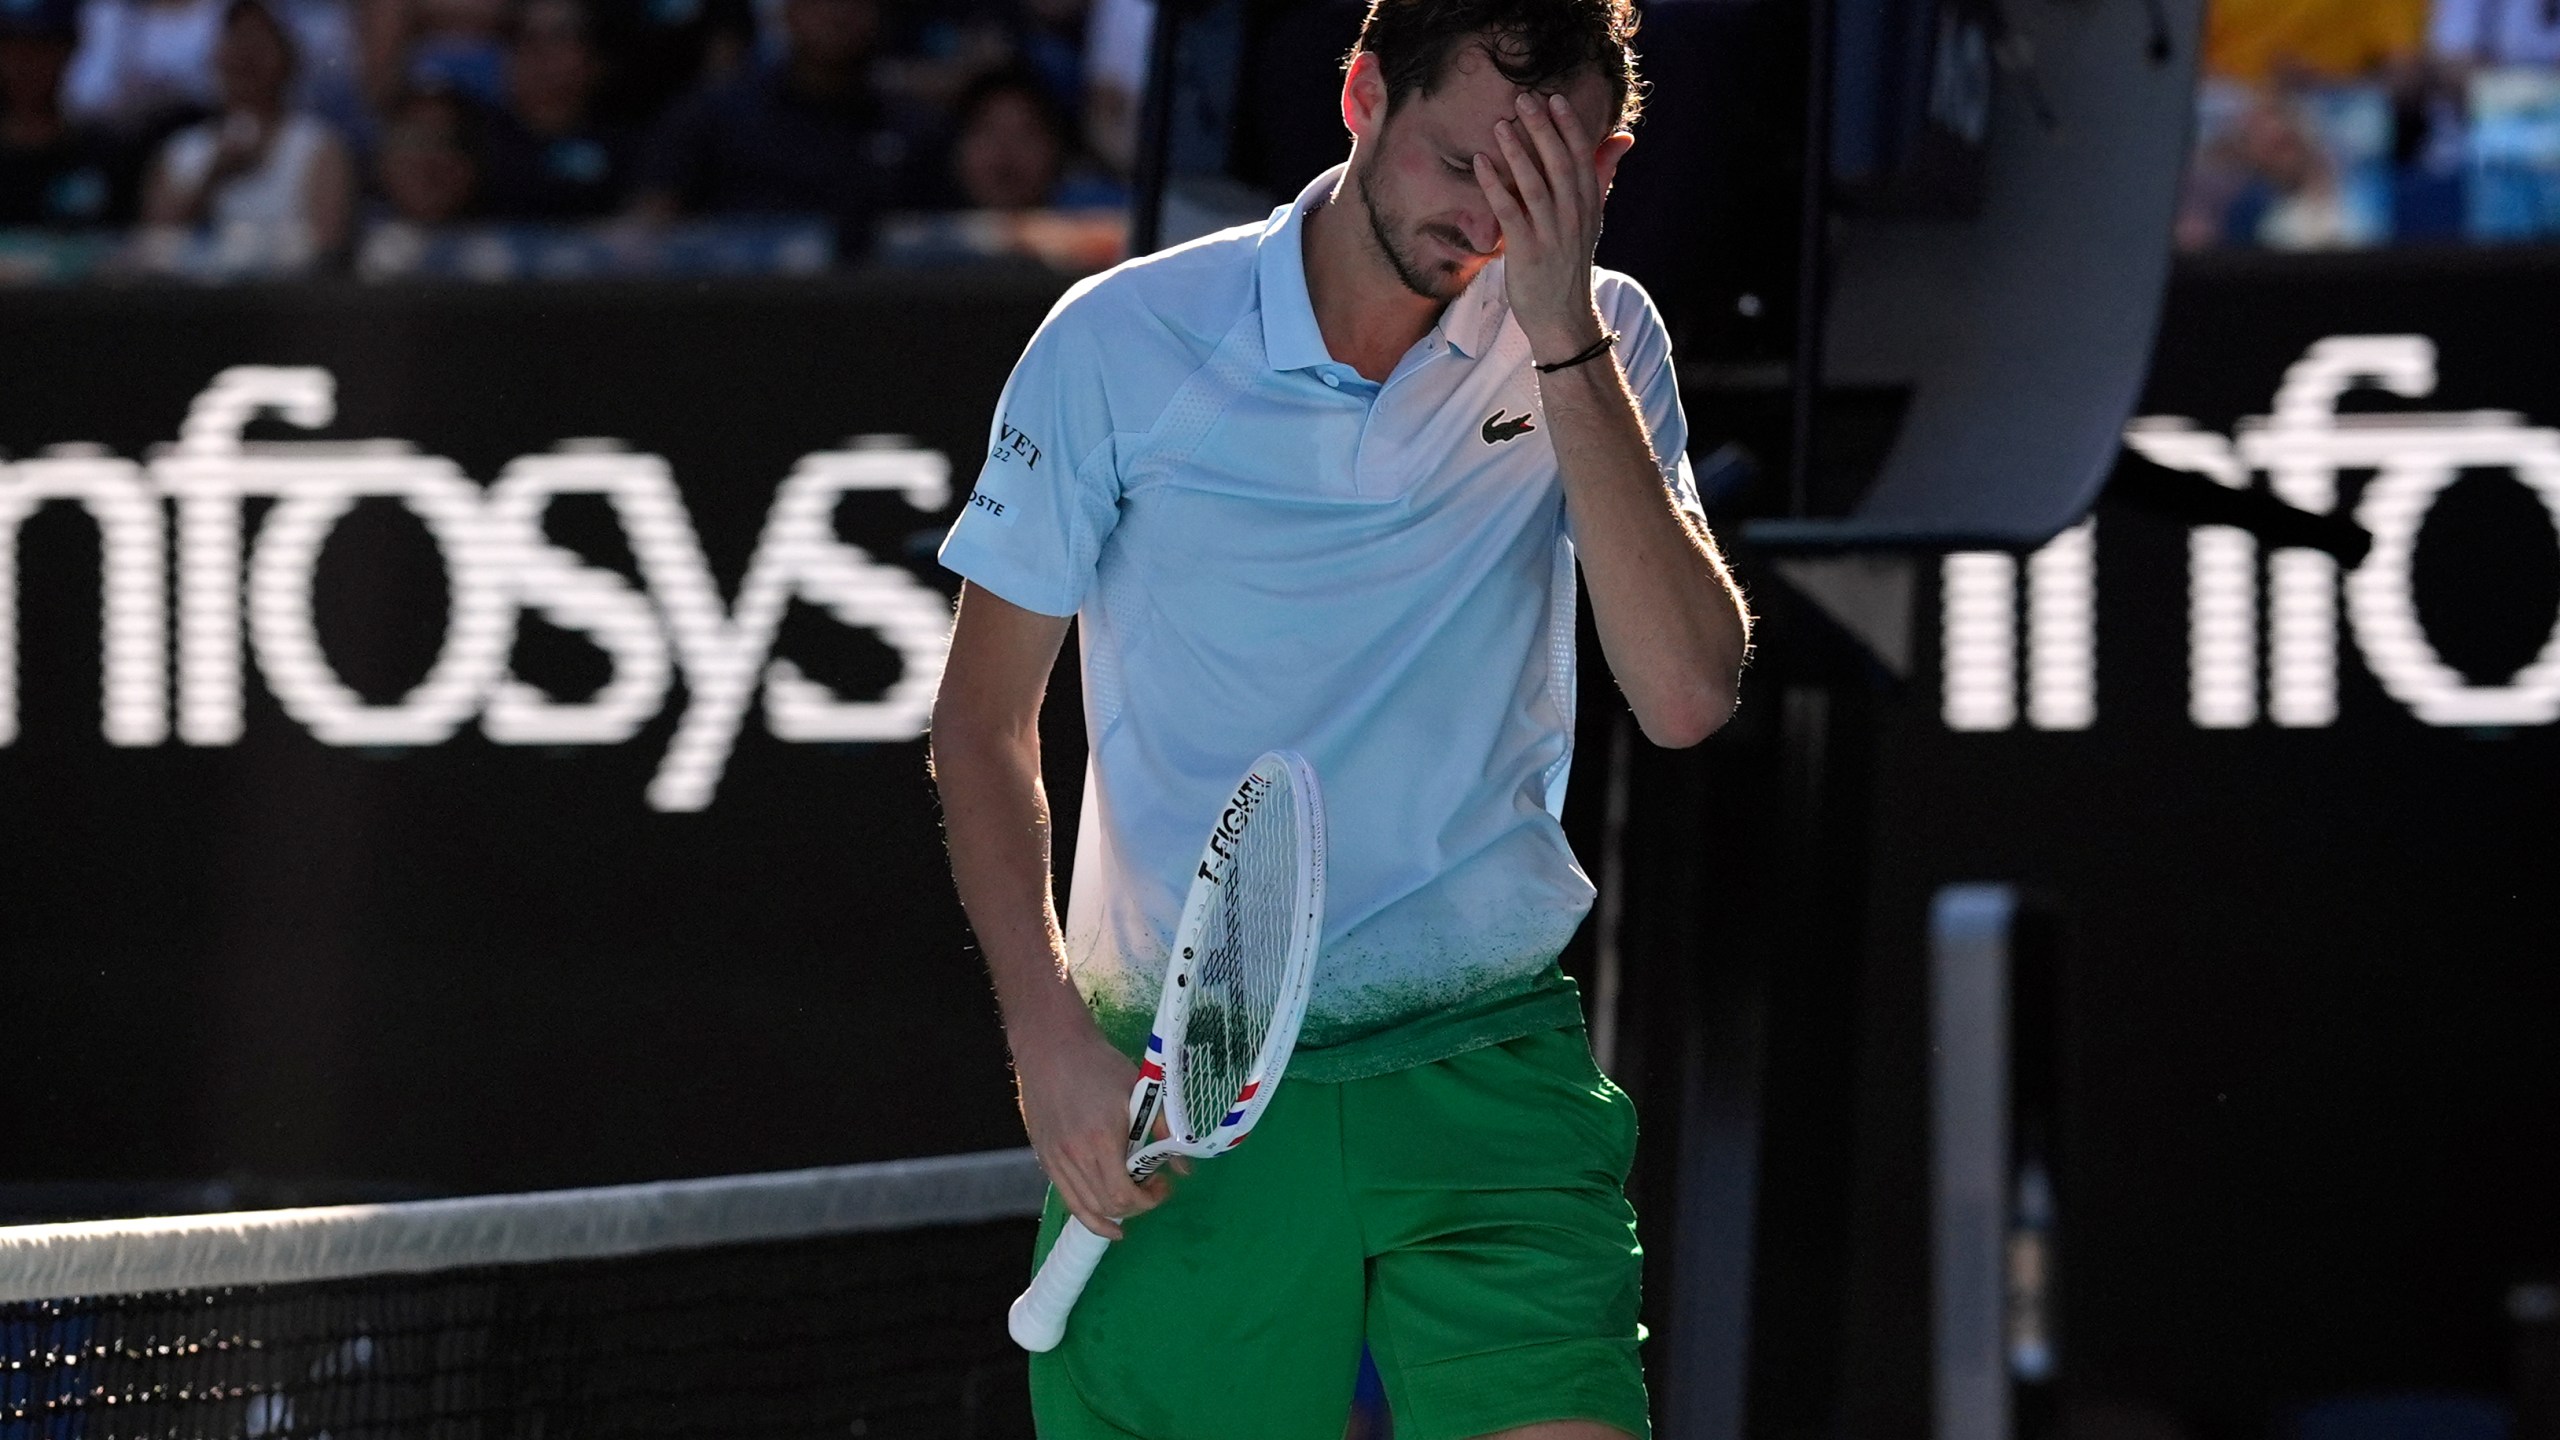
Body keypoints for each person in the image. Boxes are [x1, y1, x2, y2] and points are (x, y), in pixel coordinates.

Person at [930, 0, 1751, 1436]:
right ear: (1363, 95)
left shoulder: (1604, 339)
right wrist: (1048, 1035)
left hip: (1490, 1082)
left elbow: (1686, 697)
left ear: (1601, 169)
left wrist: (1560, 333)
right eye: (1460, 164)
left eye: (1539, 179)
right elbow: (982, 722)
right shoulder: (1119, 343)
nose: (1490, 220)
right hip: (1175, 1104)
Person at [629, 0, 913, 256]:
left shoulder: (910, 122)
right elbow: (653, 213)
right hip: (738, 295)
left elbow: (944, 230)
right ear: (787, 15)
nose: (838, 16)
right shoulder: (716, 112)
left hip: (875, 297)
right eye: (820, 5)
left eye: (854, 5)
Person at [138, 0, 351, 269]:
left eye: (259, 43)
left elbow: (328, 249)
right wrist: (213, 178)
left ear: (289, 57)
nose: (245, 55)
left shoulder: (318, 146)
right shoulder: (182, 149)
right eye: (235, 41)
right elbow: (152, 243)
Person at [480, 0, 627, 218]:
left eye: (559, 37)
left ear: (596, 62)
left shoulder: (626, 148)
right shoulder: (476, 140)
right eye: (527, 38)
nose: (541, 52)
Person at [0, 0, 139, 226]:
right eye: (10, 48)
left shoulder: (105, 156)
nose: (24, 63)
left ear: (70, 49)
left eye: (41, 48)